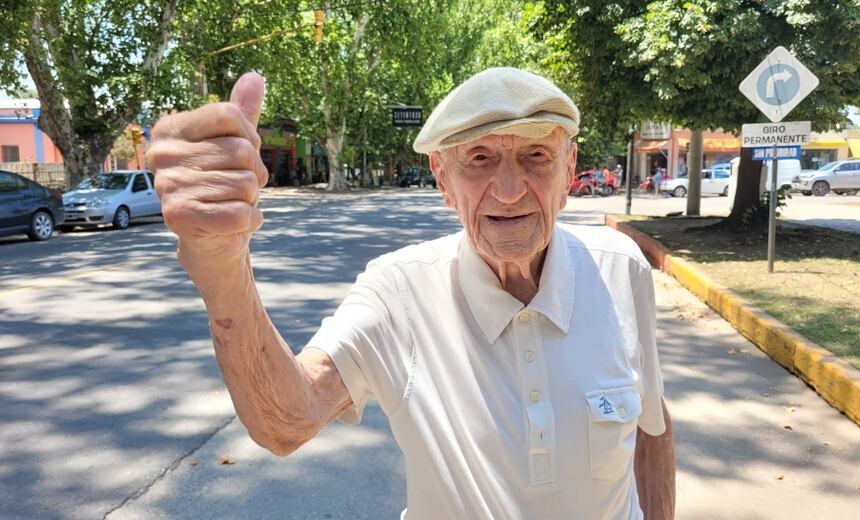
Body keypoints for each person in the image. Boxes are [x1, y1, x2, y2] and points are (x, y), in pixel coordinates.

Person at [147, 68, 675, 520]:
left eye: (536, 155)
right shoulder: (398, 292)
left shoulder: (620, 267)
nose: (510, 189)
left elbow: (650, 427)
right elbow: (285, 421)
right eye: (480, 158)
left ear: (568, 169)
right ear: (443, 178)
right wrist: (223, 267)